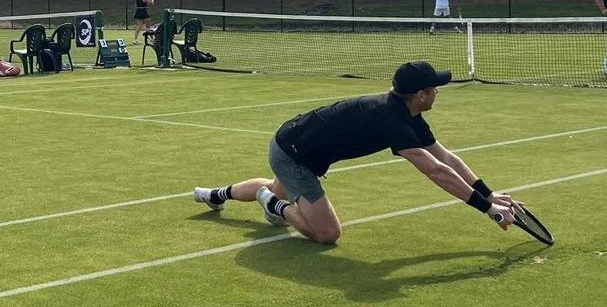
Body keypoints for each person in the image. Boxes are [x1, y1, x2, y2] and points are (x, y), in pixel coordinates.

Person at [192, 60, 517, 245]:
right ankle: (272, 203)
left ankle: (215, 194)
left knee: (279, 182)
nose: (437, 93)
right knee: (327, 234)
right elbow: (434, 171)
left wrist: (489, 195)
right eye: (434, 89)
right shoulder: (393, 121)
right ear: (420, 94)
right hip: (294, 154)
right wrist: (485, 209)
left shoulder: (409, 115)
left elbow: (446, 158)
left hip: (295, 144)